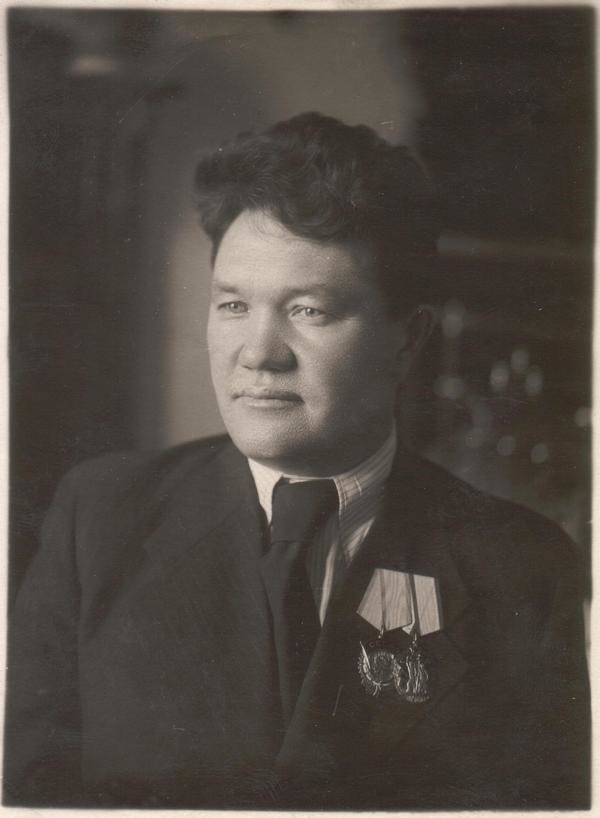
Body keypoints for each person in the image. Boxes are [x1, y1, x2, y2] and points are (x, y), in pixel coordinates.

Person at [4, 112, 589, 809]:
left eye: (309, 311)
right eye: (232, 305)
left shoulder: (522, 570)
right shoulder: (100, 520)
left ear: (407, 340)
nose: (258, 354)